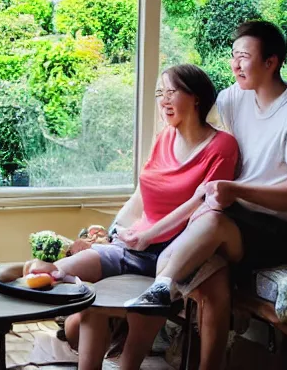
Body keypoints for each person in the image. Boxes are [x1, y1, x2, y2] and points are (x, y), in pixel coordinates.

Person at [126, 20, 287, 369]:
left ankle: (163, 287)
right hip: (241, 219)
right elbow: (196, 128)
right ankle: (162, 305)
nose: (235, 65)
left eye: (243, 57)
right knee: (212, 276)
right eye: (233, 56)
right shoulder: (235, 98)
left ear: (271, 62)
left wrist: (234, 189)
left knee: (211, 218)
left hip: (283, 230)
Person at [27, 65, 238, 370]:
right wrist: (116, 229)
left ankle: (122, 357)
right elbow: (143, 192)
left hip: (172, 253)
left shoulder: (221, 146)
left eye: (171, 92)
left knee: (143, 312)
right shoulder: (165, 138)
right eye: (159, 93)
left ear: (195, 98)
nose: (163, 100)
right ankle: (76, 342)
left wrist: (149, 237)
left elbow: (203, 204)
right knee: (58, 275)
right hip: (131, 246)